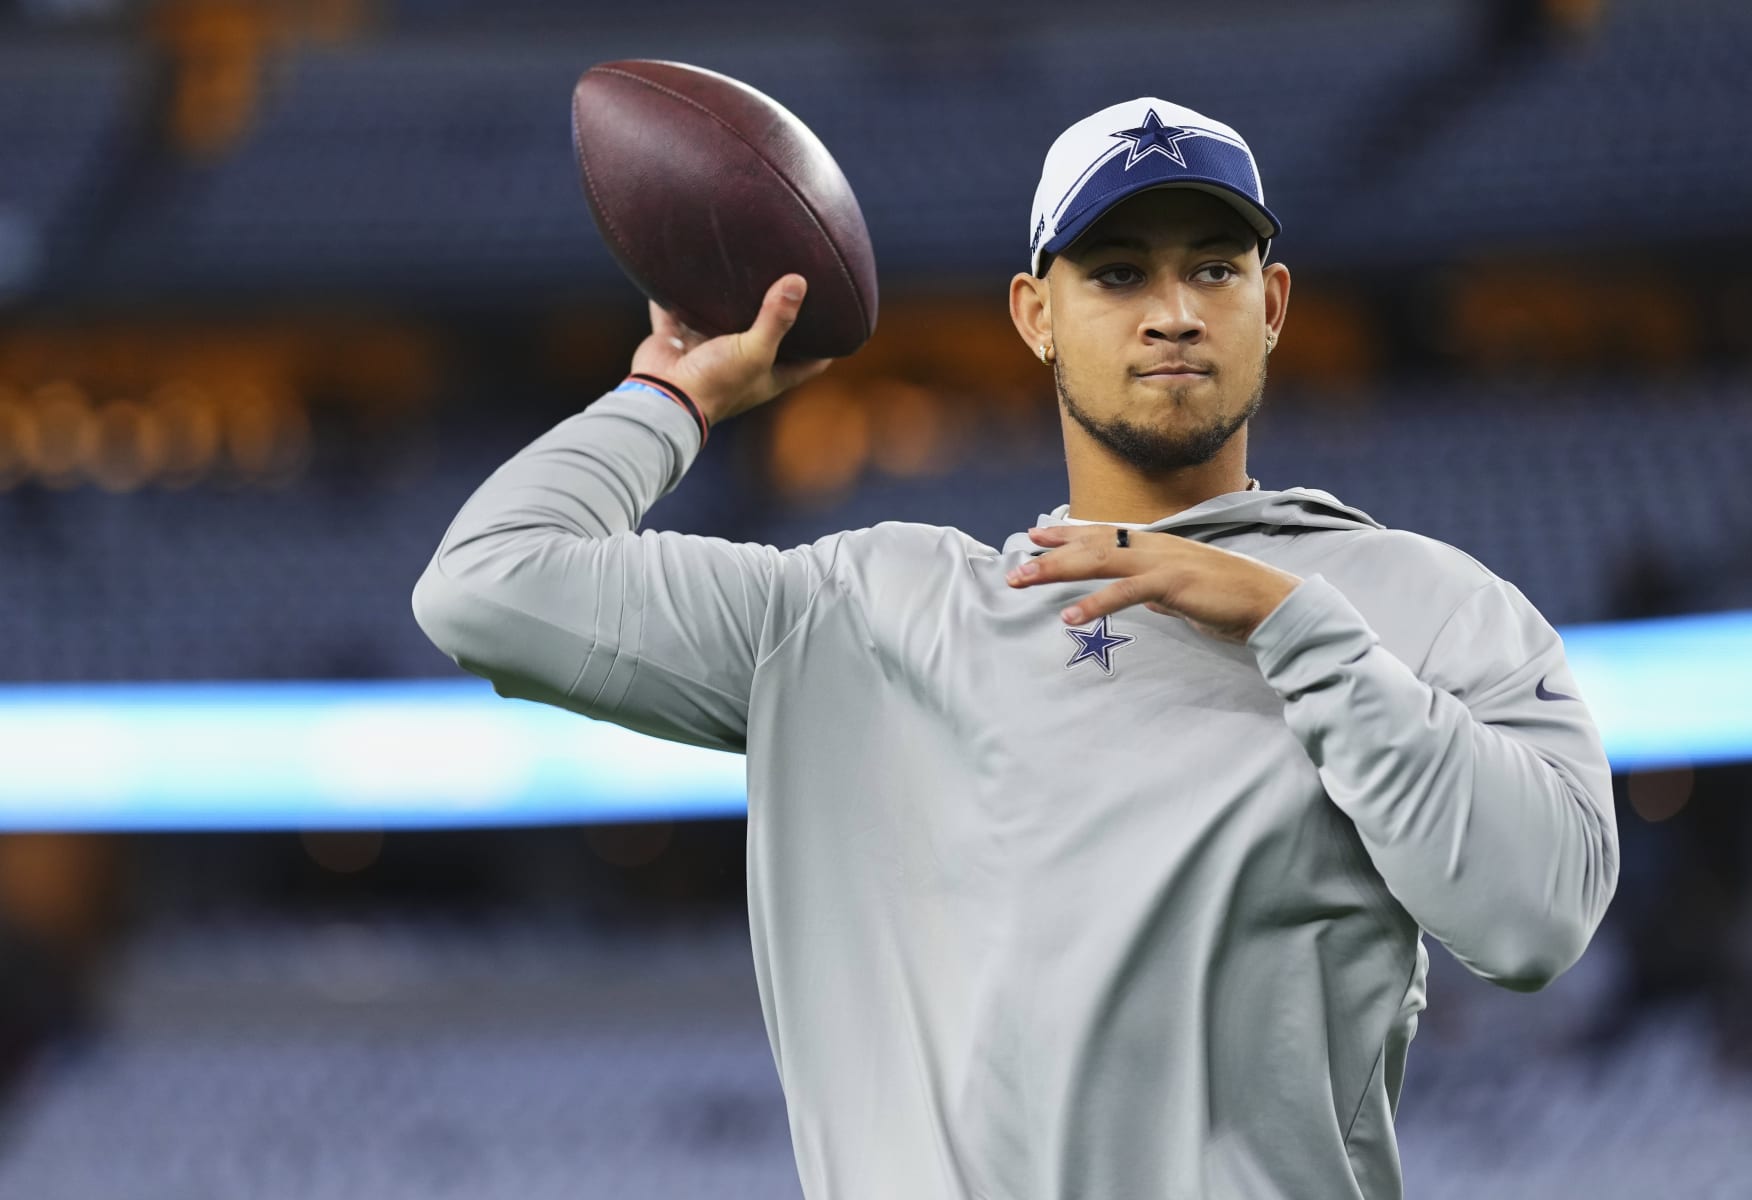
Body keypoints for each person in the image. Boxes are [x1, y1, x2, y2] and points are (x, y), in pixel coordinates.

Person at [413, 98, 1618, 1199]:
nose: (1174, 311)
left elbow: (1536, 919)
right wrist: (670, 396)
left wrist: (1292, 623)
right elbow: (486, 586)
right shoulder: (868, 614)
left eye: (1214, 266)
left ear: (1274, 304)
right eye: (1115, 272)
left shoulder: (1426, 603)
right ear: (1034, 316)